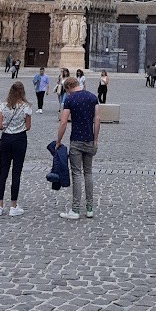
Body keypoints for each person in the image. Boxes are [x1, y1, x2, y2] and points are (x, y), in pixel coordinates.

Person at [57, 76, 100, 220]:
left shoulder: (69, 99)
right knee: (88, 173)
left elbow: (63, 122)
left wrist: (58, 141)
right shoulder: (92, 97)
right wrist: (95, 139)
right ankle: (89, 208)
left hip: (76, 140)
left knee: (76, 174)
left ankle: (75, 209)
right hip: (89, 139)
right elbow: (97, 119)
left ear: (68, 88)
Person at [0, 82, 31, 217]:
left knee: (2, 173)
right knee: (16, 172)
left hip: (5, 140)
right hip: (19, 140)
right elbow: (28, 127)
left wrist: (6, 125)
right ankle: (13, 206)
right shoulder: (26, 108)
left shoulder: (3, 106)